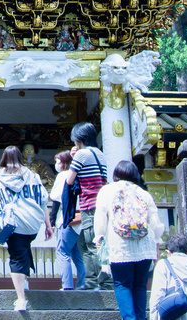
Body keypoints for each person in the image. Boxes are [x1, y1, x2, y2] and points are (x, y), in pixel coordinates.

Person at [94, 161, 164, 320]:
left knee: (122, 284)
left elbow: (100, 217)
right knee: (140, 286)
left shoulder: (106, 191)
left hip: (119, 246)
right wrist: (157, 244)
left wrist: (99, 237)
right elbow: (155, 222)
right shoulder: (143, 193)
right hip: (145, 247)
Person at [0, 145, 53, 312]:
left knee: (16, 257)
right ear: (20, 157)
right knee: (23, 247)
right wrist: (48, 225)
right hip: (32, 224)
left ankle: (21, 299)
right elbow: (43, 200)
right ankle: (25, 282)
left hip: (14, 224)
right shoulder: (33, 176)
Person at [65, 122, 111, 290]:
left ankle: (102, 283)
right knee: (84, 243)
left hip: (90, 205)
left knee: (92, 243)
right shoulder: (100, 153)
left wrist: (74, 157)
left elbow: (69, 180)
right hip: (101, 203)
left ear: (79, 138)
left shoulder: (82, 154)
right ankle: (92, 280)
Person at [49, 149, 85, 290]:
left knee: (62, 252)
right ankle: (84, 283)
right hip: (79, 219)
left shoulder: (63, 175)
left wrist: (51, 222)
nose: (56, 165)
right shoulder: (80, 175)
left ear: (64, 162)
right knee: (77, 253)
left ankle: (67, 285)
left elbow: (56, 199)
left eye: (58, 162)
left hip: (65, 218)